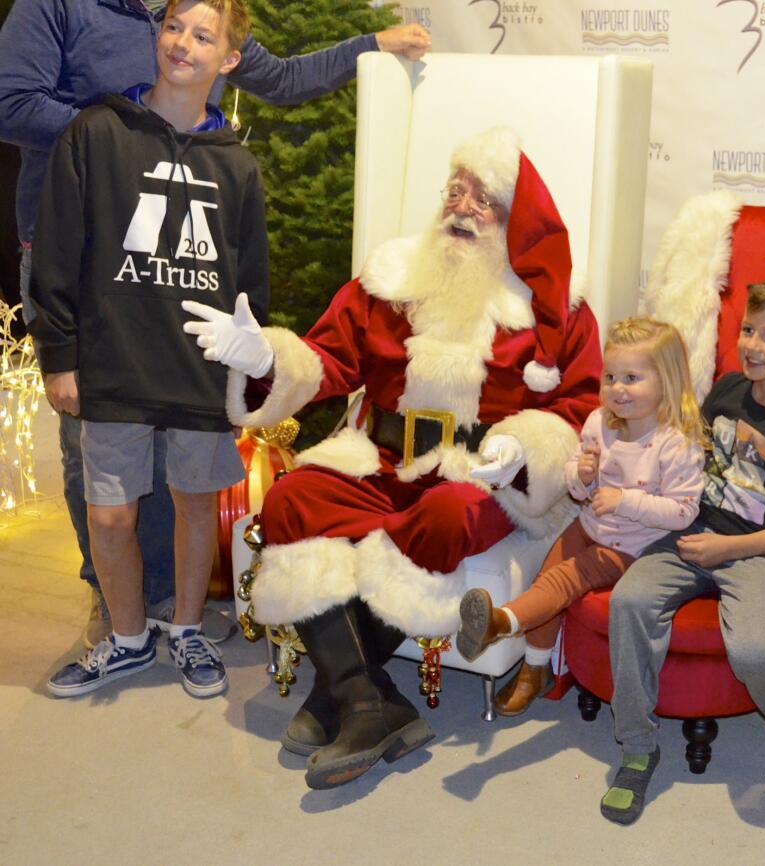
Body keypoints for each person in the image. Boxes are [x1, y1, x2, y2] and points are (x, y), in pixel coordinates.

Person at [0, 0, 430, 649]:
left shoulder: (199, 10)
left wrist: (372, 41)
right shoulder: (57, 6)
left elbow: (282, 80)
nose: (181, 42)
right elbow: (10, 102)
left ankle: (171, 603)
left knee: (180, 439)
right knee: (92, 439)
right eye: (176, 33)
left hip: (176, 264)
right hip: (84, 249)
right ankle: (115, 600)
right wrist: (128, 134)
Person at [184, 125, 602, 789]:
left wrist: (521, 448)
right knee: (292, 498)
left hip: (475, 479)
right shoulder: (391, 280)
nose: (460, 208)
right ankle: (366, 701)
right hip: (378, 462)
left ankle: (340, 698)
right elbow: (325, 358)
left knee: (448, 514)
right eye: (454, 192)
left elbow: (579, 416)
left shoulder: (553, 314)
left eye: (482, 199)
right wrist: (267, 358)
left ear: (513, 222)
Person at [31, 0, 269, 700]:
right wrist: (59, 354)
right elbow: (57, 251)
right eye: (172, 27)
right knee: (109, 514)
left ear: (227, 59)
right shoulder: (96, 134)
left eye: (202, 35)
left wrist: (246, 375)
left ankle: (188, 630)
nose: (180, 44)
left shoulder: (237, 166)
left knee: (197, 505)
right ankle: (130, 638)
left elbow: (250, 284)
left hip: (197, 369)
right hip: (113, 360)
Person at [599, 273, 765, 825]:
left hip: (761, 553)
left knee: (754, 648)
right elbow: (685, 456)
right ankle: (637, 743)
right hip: (694, 532)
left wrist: (731, 549)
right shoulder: (727, 388)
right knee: (629, 602)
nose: (752, 345)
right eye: (749, 329)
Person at [455, 317, 706, 716]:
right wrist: (583, 476)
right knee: (548, 579)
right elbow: (575, 484)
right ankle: (534, 671)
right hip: (588, 524)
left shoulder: (676, 444)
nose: (617, 388)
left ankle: (500, 623)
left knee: (566, 578)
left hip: (632, 547)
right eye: (610, 377)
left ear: (667, 381)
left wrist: (625, 500)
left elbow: (683, 512)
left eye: (631, 377)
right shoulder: (599, 423)